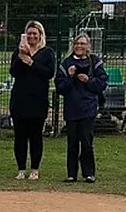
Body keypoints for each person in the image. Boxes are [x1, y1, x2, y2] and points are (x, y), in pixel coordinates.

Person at [54, 34, 108, 183]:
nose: (79, 46)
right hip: (71, 109)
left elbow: (102, 83)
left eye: (83, 44)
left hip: (88, 108)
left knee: (86, 141)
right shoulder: (66, 64)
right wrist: (70, 77)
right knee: (72, 143)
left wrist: (88, 81)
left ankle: (88, 173)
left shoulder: (94, 62)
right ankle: (71, 174)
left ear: (88, 46)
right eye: (77, 43)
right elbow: (60, 88)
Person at [8, 20, 55, 181]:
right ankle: (21, 169)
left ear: (40, 35)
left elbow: (49, 73)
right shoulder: (19, 52)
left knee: (36, 137)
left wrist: (32, 63)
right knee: (20, 137)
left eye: (35, 33)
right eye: (29, 33)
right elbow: (14, 72)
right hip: (20, 100)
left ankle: (35, 169)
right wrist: (23, 57)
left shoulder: (47, 52)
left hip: (38, 100)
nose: (32, 36)